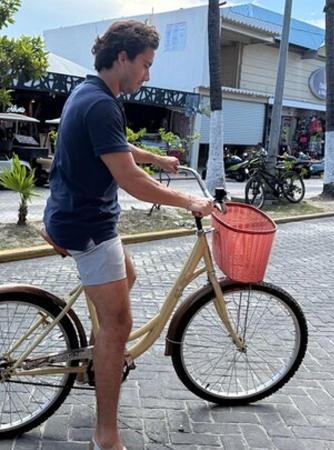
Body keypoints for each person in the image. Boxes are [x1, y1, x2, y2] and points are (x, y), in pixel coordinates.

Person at [42, 20, 216, 450]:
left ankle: (96, 355)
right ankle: (107, 434)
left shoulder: (89, 92)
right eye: (146, 64)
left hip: (73, 215)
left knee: (129, 276)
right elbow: (131, 181)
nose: (148, 75)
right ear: (122, 58)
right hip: (88, 226)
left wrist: (155, 158)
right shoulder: (103, 104)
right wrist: (190, 202)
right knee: (119, 324)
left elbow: (114, 146)